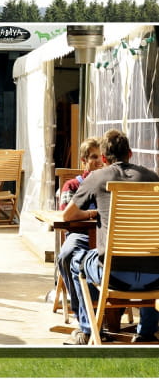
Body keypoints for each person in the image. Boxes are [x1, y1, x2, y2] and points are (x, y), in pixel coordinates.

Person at [61, 129, 159, 344]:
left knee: (77, 261)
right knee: (148, 260)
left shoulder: (98, 177)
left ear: (104, 158)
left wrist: (92, 213)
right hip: (155, 277)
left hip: (114, 275)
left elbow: (68, 214)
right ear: (130, 153)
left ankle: (88, 329)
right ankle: (147, 332)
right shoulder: (152, 178)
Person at [57, 137, 102, 315]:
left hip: (104, 235)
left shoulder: (108, 183)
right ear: (84, 160)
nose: (99, 161)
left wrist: (84, 213)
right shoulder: (73, 185)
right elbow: (67, 216)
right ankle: (81, 312)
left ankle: (107, 311)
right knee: (67, 255)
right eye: (93, 157)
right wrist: (93, 213)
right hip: (80, 234)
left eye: (101, 157)